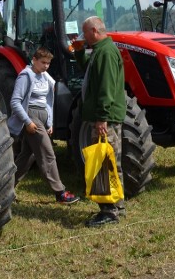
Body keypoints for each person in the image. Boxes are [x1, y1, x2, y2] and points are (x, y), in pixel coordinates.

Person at [8, 47, 79, 205]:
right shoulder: (25, 76)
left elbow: (49, 100)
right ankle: (60, 192)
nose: (46, 66)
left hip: (42, 117)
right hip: (31, 116)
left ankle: (5, 187)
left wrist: (50, 122)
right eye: (43, 62)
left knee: (27, 156)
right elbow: (15, 101)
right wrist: (28, 122)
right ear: (34, 60)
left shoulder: (45, 76)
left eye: (48, 63)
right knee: (48, 154)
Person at [75, 16, 126, 227]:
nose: (83, 36)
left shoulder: (105, 52)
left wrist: (101, 117)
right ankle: (118, 206)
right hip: (106, 117)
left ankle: (108, 211)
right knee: (112, 161)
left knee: (102, 162)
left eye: (84, 32)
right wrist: (78, 51)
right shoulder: (100, 50)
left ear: (95, 31)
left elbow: (106, 87)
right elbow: (89, 71)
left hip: (105, 119)